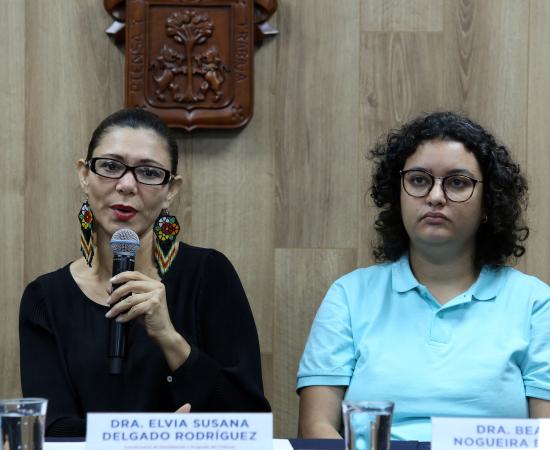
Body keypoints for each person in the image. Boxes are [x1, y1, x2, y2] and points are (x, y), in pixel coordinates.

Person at [296, 111, 550, 441]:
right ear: (397, 195)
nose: (435, 196)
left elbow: (546, 435)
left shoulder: (534, 303)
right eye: (418, 180)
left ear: (489, 203)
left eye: (457, 183)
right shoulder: (349, 295)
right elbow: (315, 430)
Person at [19, 108, 270, 437]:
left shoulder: (209, 275)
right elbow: (51, 431)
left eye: (149, 172)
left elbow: (251, 422)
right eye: (111, 166)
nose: (126, 185)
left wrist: (169, 337)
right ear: (84, 175)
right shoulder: (45, 298)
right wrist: (154, 434)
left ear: (171, 190)